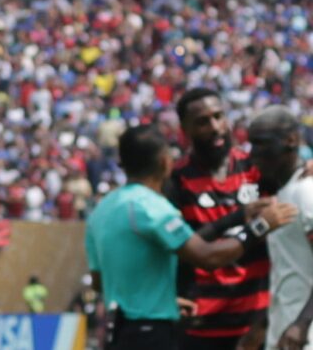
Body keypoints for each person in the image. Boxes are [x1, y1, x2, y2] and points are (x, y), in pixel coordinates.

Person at [86, 126, 296, 350]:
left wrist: (160, 301)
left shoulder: (102, 209)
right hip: (150, 335)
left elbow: (101, 281)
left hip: (118, 331)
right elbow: (207, 257)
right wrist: (260, 226)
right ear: (165, 161)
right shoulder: (151, 208)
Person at [169, 88, 272, 350]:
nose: (215, 127)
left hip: (257, 324)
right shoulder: (176, 180)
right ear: (185, 129)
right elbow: (179, 249)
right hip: (201, 327)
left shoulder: (257, 168)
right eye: (203, 122)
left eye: (218, 116)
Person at [248, 107, 313, 350]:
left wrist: (303, 323)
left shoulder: (306, 192)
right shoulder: (282, 196)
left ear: (291, 140)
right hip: (284, 332)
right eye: (252, 144)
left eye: (262, 144)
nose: (254, 153)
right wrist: (265, 323)